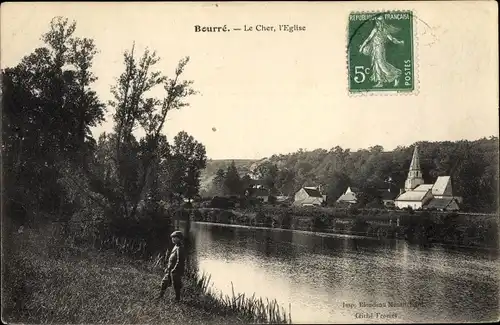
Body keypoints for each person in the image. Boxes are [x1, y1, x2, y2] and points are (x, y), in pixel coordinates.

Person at [359, 16, 405, 88]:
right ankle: (380, 82)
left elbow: (392, 39)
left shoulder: (385, 30)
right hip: (375, 50)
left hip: (380, 49)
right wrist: (362, 47)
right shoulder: (375, 30)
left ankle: (396, 76)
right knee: (376, 65)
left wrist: (399, 42)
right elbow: (368, 39)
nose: (377, 23)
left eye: (378, 22)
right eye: (377, 22)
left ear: (381, 22)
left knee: (382, 65)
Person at [158, 230, 186, 301]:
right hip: (170, 269)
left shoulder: (180, 248)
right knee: (164, 282)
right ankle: (160, 296)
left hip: (175, 270)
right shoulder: (175, 246)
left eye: (175, 237)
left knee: (176, 285)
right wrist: (168, 268)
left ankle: (177, 299)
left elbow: (180, 260)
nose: (173, 239)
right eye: (172, 237)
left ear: (179, 239)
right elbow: (171, 259)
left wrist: (175, 269)